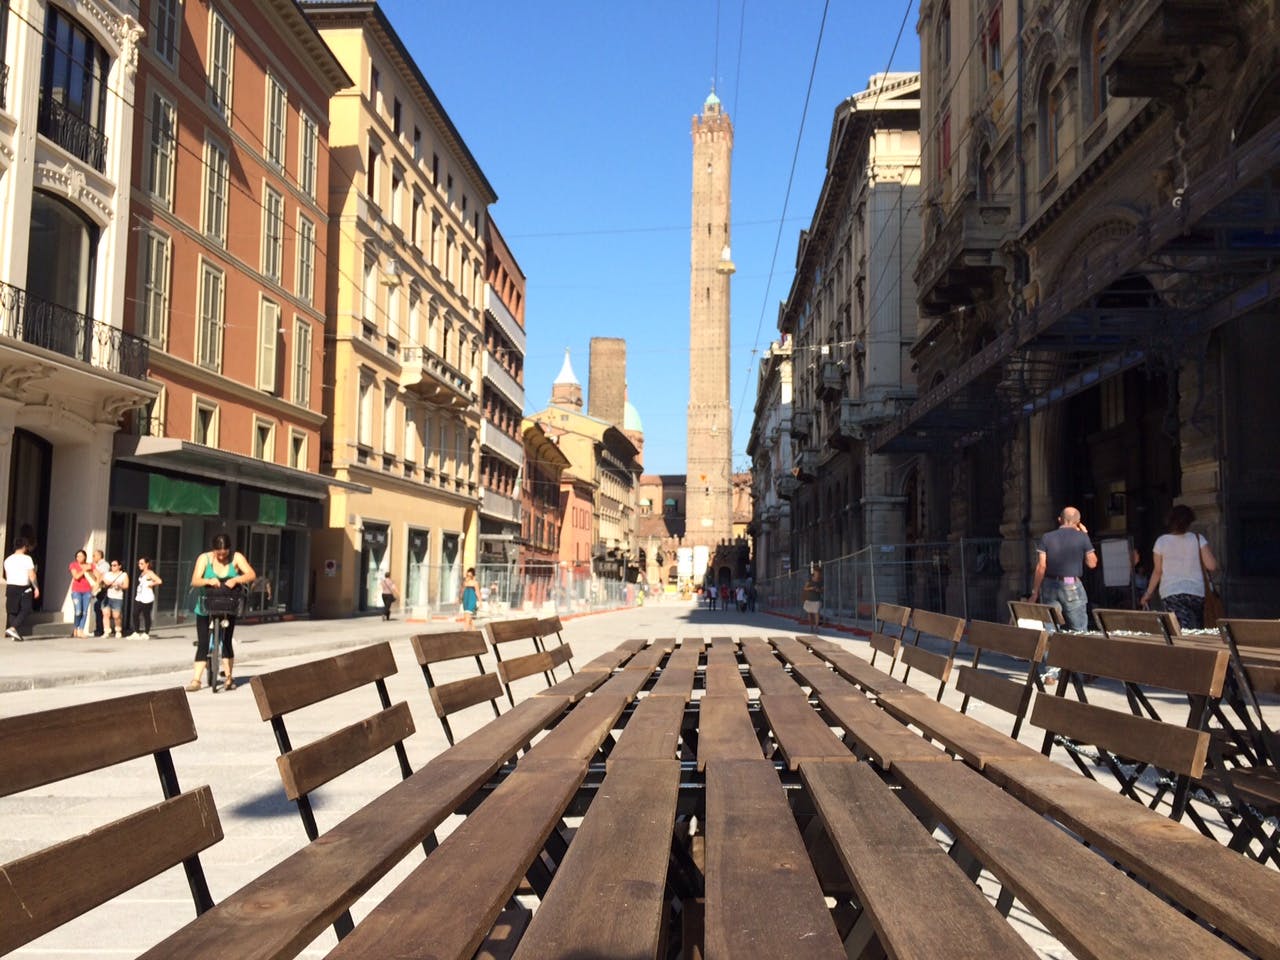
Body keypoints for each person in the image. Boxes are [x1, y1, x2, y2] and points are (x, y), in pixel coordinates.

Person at [187, 533, 256, 691]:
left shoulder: (236, 558)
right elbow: (195, 580)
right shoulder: (204, 558)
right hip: (206, 605)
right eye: (219, 554)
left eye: (225, 554)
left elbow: (251, 574)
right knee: (203, 643)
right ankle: (196, 680)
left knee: (226, 641)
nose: (222, 557)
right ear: (214, 551)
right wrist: (208, 580)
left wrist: (236, 579)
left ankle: (229, 677)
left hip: (227, 606)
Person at [1141, 504, 1219, 629]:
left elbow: (1157, 571)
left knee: (1180, 630)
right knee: (1197, 629)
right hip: (1196, 592)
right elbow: (1212, 566)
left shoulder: (1161, 542)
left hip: (1171, 593)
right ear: (1189, 522)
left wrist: (1148, 594)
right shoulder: (1198, 539)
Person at [1029, 506, 1097, 632]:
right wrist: (1085, 535)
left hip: (1049, 585)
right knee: (1079, 629)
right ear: (1078, 522)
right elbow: (1092, 564)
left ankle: (1049, 651)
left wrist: (1035, 592)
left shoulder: (1046, 537)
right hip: (1071, 584)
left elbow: (1041, 567)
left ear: (1060, 520)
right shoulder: (1082, 537)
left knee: (1050, 629)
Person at [4, 538, 40, 642]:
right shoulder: (27, 559)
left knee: (12, 610)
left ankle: (14, 633)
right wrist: (36, 587)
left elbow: (7, 575)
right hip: (24, 586)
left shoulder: (8, 559)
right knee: (26, 608)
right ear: (24, 546)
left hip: (11, 586)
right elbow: (32, 575)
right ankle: (13, 628)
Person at [130, 557, 162, 639]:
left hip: (147, 597)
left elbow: (159, 581)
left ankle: (146, 632)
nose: (139, 565)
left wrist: (151, 584)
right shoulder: (142, 573)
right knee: (135, 613)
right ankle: (136, 632)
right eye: (139, 563)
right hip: (139, 596)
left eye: (142, 564)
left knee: (146, 615)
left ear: (147, 564)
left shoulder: (150, 573)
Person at [68, 550, 96, 638]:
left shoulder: (90, 565)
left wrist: (95, 587)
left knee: (84, 612)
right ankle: (75, 627)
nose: (79, 558)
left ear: (85, 557)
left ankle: (81, 630)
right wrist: (84, 569)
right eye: (77, 556)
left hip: (87, 591)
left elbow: (97, 576)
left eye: (81, 556)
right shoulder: (73, 565)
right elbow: (76, 576)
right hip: (76, 590)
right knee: (78, 611)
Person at [99, 559, 129, 638]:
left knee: (116, 616)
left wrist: (119, 585)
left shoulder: (123, 575)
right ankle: (106, 631)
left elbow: (126, 586)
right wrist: (105, 582)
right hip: (107, 596)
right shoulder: (107, 574)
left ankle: (118, 630)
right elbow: (101, 581)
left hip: (117, 597)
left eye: (115, 565)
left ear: (119, 566)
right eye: (111, 565)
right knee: (106, 614)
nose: (113, 567)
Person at [91, 548, 110, 636]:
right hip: (99, 589)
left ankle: (101, 630)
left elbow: (102, 576)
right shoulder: (97, 565)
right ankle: (98, 629)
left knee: (100, 608)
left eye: (94, 555)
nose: (93, 557)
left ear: (99, 556)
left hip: (103, 589)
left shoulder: (104, 565)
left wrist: (96, 586)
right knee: (97, 607)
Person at [802, 565, 823, 630]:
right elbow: (805, 588)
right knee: (810, 613)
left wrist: (818, 590)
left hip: (817, 599)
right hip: (809, 599)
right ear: (814, 572)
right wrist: (810, 588)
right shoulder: (810, 580)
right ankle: (811, 626)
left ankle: (816, 626)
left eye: (818, 573)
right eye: (816, 572)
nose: (817, 574)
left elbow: (822, 589)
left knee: (816, 613)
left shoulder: (821, 581)